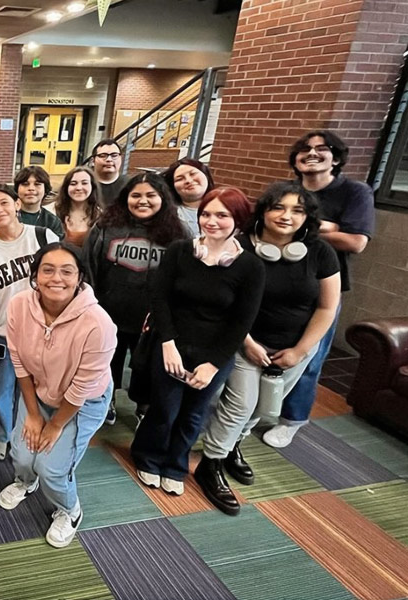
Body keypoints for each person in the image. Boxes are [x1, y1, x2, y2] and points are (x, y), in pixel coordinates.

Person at [197, 182, 340, 516]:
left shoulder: (320, 252)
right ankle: (212, 462)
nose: (287, 216)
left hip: (294, 348)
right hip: (243, 341)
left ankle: (233, 447)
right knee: (240, 404)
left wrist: (301, 350)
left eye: (297, 210)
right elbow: (225, 302)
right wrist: (247, 342)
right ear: (263, 211)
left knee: (263, 407)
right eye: (279, 207)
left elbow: (326, 308)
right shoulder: (239, 247)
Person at [131, 187, 264, 495]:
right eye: (206, 213)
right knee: (164, 409)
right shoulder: (180, 250)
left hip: (213, 352)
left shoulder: (251, 266)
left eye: (222, 215)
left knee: (193, 415)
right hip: (171, 346)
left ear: (239, 220)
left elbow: (242, 321)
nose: (211, 221)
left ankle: (176, 465)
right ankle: (148, 456)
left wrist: (214, 364)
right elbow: (159, 298)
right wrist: (168, 343)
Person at [0, 241, 116, 548]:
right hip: (39, 393)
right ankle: (25, 482)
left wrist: (54, 424)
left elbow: (81, 387)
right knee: (22, 453)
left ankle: (70, 511)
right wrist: (34, 414)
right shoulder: (19, 305)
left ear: (80, 278)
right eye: (47, 270)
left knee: (52, 469)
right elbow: (19, 361)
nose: (56, 278)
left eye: (67, 271)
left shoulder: (98, 324)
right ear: (35, 274)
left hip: (82, 403)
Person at [268, 130, 375, 448]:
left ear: (337, 158)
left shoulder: (355, 192)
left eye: (321, 148)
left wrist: (305, 225)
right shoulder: (288, 191)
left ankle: (292, 419)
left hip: (322, 288)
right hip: (278, 281)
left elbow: (356, 242)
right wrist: (328, 226)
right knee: (268, 347)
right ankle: (260, 406)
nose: (311, 153)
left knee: (309, 356)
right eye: (304, 148)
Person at [83, 173, 188, 425]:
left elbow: (184, 278)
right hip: (110, 313)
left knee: (145, 368)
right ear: (125, 198)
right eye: (136, 195)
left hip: (153, 318)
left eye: (151, 195)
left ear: (162, 198)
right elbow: (89, 267)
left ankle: (142, 406)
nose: (143, 201)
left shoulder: (178, 233)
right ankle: (107, 400)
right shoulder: (106, 227)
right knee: (108, 362)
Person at [0, 185, 59, 460]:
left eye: (4, 203)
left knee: (45, 387)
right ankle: (1, 434)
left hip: (46, 330)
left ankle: (37, 433)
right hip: (6, 333)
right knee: (5, 391)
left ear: (17, 204)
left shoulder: (43, 236)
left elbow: (65, 280)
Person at [0, 166, 64, 239]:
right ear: (17, 189)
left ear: (45, 189)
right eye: (25, 184)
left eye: (37, 184)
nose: (31, 188)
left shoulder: (52, 221)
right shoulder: (4, 216)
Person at [163, 158, 216, 238]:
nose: (188, 181)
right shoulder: (166, 214)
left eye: (193, 174)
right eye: (179, 179)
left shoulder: (226, 208)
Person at [52, 166, 101, 248]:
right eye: (73, 183)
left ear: (92, 186)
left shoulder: (100, 216)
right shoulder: (51, 211)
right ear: (66, 187)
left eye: (84, 183)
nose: (79, 188)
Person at [91, 138, 128, 209]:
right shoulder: (84, 185)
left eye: (114, 155)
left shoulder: (130, 185)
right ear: (93, 161)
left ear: (121, 158)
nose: (109, 159)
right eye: (103, 155)